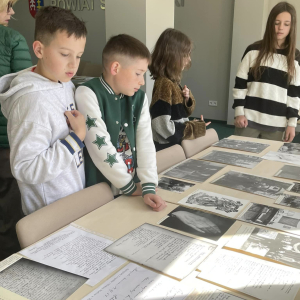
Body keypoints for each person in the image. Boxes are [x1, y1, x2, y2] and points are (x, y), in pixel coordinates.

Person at [0, 6, 87, 216]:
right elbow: (26, 168)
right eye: (65, 54)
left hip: (72, 200)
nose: (73, 64)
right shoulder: (31, 101)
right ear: (39, 50)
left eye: (79, 55)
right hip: (49, 214)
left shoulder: (64, 83)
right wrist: (76, 139)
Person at [75, 34, 167, 212]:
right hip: (100, 192)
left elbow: (146, 142)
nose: (142, 81)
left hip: (132, 188)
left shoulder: (139, 98)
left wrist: (148, 184)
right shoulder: (87, 93)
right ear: (115, 67)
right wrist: (129, 186)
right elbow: (99, 146)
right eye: (138, 74)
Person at [233, 2, 300, 142]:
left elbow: (294, 94)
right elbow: (240, 84)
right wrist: (239, 112)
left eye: (286, 24)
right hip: (247, 121)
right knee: (239, 161)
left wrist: (292, 124)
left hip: (277, 125)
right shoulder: (252, 50)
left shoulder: (296, 57)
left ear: (292, 27)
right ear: (270, 23)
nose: (281, 28)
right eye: (277, 23)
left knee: (268, 163)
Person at [0, 0, 32, 260]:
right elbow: (24, 98)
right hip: (5, 147)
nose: (12, 12)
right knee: (10, 219)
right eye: (7, 5)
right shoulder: (11, 39)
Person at [149, 28, 210, 152]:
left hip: (175, 144)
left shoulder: (172, 82)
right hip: (169, 148)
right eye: (185, 55)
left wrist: (187, 99)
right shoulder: (164, 84)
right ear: (172, 56)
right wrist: (193, 128)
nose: (189, 59)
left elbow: (183, 114)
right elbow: (163, 127)